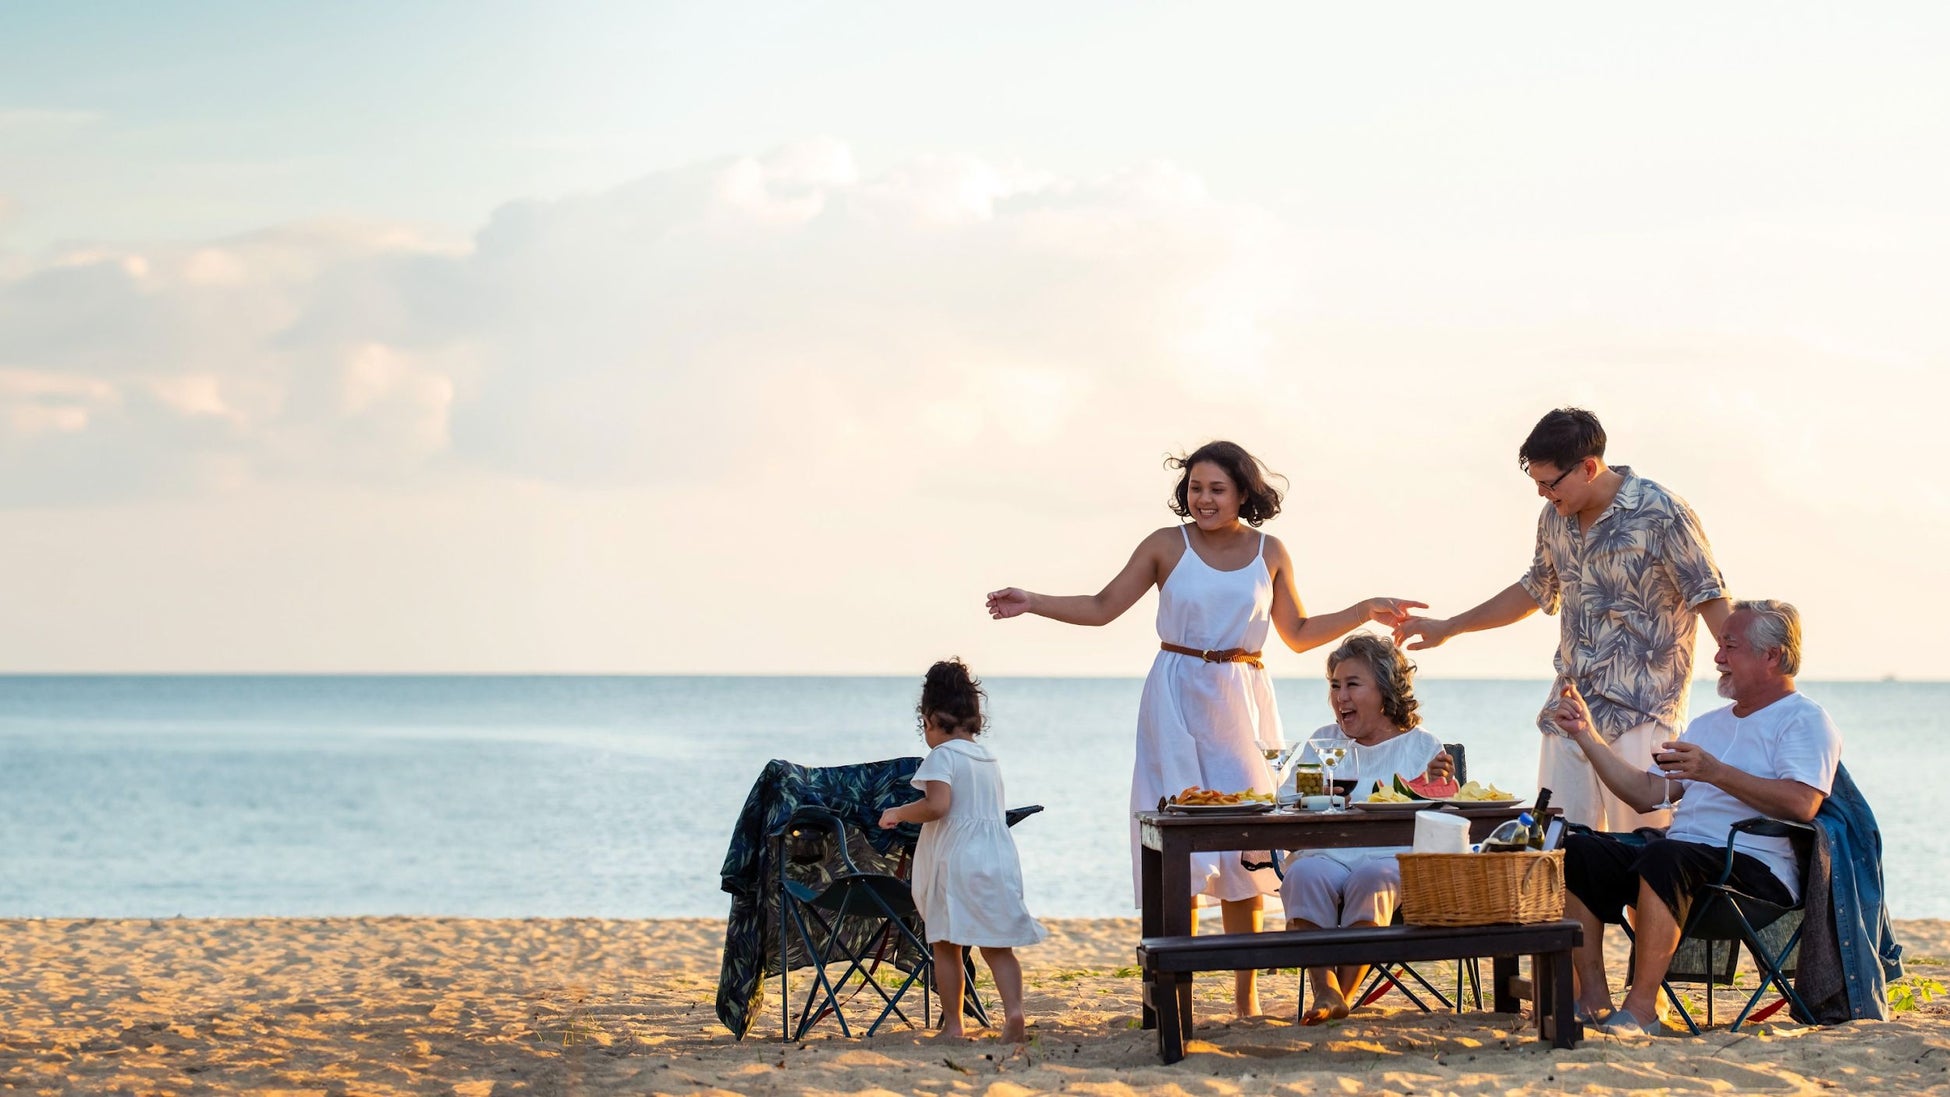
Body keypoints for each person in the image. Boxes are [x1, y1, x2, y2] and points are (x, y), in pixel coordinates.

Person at [986, 440, 1423, 1017]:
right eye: (1195, 487)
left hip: (1243, 697)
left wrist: (1365, 607)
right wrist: (1033, 600)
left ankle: (1247, 1002)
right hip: (1175, 694)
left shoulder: (1270, 551)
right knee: (1182, 848)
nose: (1203, 498)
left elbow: (1297, 631)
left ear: (1243, 492)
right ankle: (1177, 998)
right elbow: (1101, 605)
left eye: (1217, 488)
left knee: (1247, 846)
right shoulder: (1167, 545)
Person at [1393, 407, 1731, 830]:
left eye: (1548, 483)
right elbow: (1533, 589)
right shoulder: (1554, 517)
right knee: (1559, 851)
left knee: (1645, 854)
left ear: (1588, 467)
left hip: (1643, 713)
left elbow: (1709, 595)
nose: (1541, 493)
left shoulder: (1662, 512)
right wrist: (1448, 627)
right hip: (1570, 711)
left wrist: (1751, 682)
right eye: (1535, 483)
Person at [1551, 599, 1840, 1034]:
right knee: (1576, 848)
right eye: (1720, 646)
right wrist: (1587, 736)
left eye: (1730, 646)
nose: (1718, 658)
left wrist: (1715, 772)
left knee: (1667, 855)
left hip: (1754, 873)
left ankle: (1643, 1009)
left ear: (1772, 656)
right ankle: (1592, 999)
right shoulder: (1707, 725)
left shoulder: (1805, 720)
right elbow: (1647, 794)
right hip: (1680, 864)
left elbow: (1801, 804)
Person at [1278, 633, 1455, 1024]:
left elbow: (1443, 819)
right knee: (1304, 874)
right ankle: (1326, 989)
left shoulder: (1420, 746)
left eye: (1352, 684)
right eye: (1335, 686)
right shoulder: (1325, 742)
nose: (1340, 696)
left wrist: (1440, 784)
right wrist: (1313, 795)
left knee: (1373, 879)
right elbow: (1293, 802)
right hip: (1326, 853)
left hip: (1391, 859)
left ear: (1385, 690)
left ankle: (1341, 994)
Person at [879, 658, 1046, 1042]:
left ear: (931, 718)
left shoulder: (942, 757)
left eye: (924, 724)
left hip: (955, 861)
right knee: (997, 945)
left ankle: (954, 1025)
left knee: (947, 944)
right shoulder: (987, 757)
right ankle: (1015, 1015)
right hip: (996, 858)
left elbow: (938, 806)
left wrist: (899, 813)